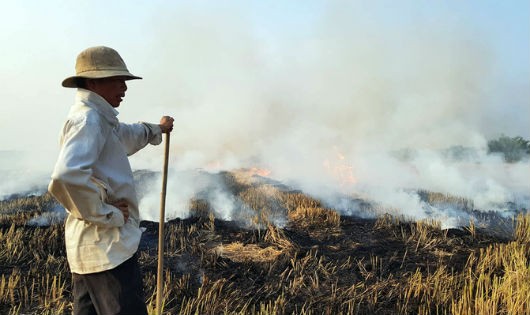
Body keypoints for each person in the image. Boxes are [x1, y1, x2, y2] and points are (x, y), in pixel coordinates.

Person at [48, 46, 174, 315]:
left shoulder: (101, 120)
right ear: (94, 81)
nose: (124, 88)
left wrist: (157, 129)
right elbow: (67, 175)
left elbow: (126, 135)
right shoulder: (88, 119)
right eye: (117, 80)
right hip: (108, 249)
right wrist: (109, 213)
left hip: (95, 250)